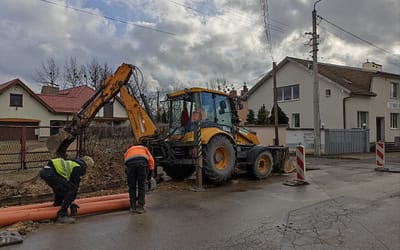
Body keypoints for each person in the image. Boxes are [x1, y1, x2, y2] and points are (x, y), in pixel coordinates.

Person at [39, 155, 94, 223]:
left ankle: (56, 207)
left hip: (46, 171)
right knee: (71, 190)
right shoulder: (78, 167)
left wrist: (70, 202)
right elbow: (74, 186)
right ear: (87, 165)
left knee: (61, 189)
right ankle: (62, 215)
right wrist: (72, 203)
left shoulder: (74, 162)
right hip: (51, 173)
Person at [124, 145, 155, 214]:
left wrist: (129, 173)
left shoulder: (128, 151)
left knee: (132, 187)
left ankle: (133, 207)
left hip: (130, 166)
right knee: (141, 186)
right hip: (142, 165)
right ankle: (140, 207)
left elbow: (126, 164)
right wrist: (149, 176)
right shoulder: (144, 148)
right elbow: (151, 161)